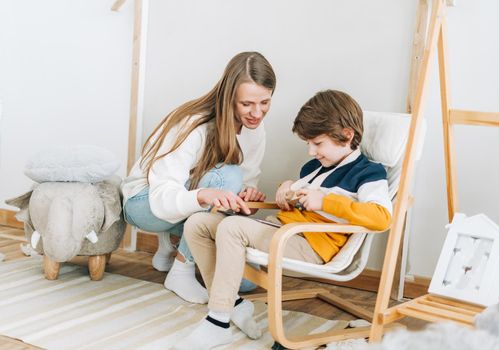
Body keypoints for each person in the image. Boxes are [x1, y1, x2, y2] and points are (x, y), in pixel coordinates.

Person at [176, 89, 393, 349]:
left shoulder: (368, 172)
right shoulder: (314, 168)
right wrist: (287, 190)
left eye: (317, 143)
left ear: (347, 135)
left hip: (309, 244)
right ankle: (232, 304)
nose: (311, 151)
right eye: (308, 144)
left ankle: (218, 322)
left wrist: (325, 201)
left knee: (232, 227)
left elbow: (381, 217)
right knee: (198, 224)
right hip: (281, 230)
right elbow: (300, 200)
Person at [121, 52, 276, 304]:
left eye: (265, 103)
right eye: (247, 104)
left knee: (246, 282)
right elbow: (162, 197)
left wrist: (247, 193)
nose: (257, 113)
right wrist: (206, 195)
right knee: (228, 175)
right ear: (229, 97)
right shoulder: (194, 125)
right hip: (144, 202)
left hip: (183, 206)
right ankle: (180, 272)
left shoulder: (256, 133)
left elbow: (246, 182)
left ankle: (171, 243)